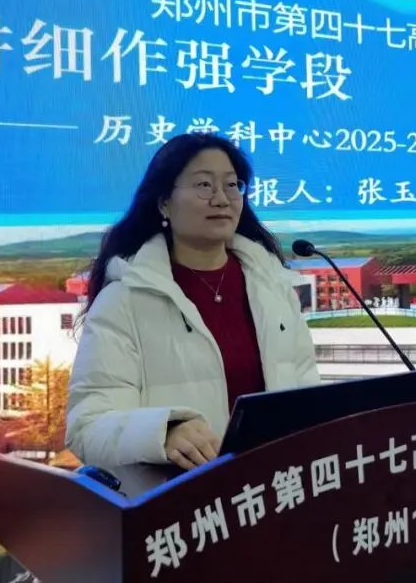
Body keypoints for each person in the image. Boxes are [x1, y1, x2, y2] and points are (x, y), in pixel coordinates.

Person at [65, 133, 320, 472]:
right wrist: (162, 433)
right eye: (204, 185)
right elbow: (87, 426)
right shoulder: (124, 301)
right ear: (164, 203)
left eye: (232, 185)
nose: (222, 199)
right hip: (182, 497)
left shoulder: (274, 288)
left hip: (273, 490)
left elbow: (308, 397)